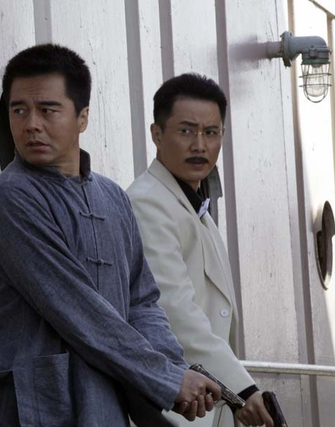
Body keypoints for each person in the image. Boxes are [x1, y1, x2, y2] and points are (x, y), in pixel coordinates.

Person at [0, 45, 222, 426]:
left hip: (105, 405)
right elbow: (75, 307)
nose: (31, 124)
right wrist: (168, 379)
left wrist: (175, 368)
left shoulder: (113, 197)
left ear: (83, 117)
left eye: (47, 110)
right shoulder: (11, 196)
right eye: (18, 110)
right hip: (35, 409)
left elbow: (142, 302)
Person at [127, 73, 275, 427]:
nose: (199, 145)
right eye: (186, 130)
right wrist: (242, 389)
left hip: (203, 404)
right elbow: (173, 311)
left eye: (211, 132)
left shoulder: (193, 205)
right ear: (156, 134)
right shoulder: (147, 202)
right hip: (170, 409)